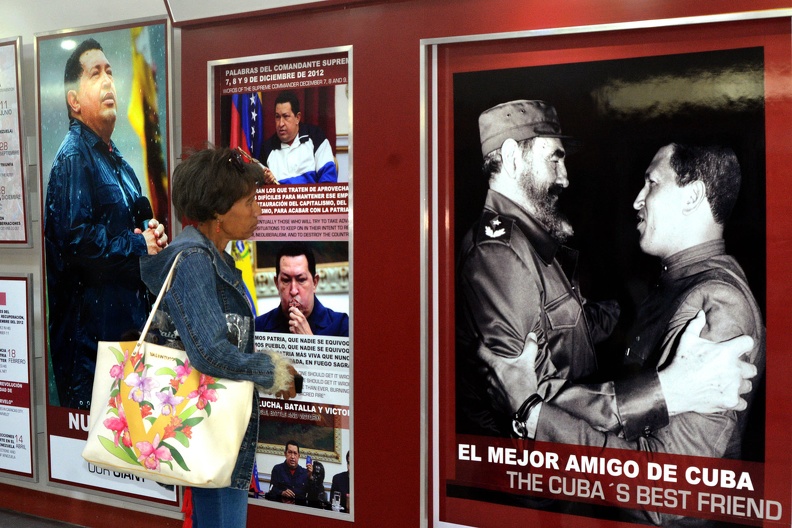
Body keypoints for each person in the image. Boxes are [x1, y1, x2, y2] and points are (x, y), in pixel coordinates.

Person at [456, 100, 756, 442]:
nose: (565, 178)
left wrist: (621, 314)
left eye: (652, 183)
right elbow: (523, 400)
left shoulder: (530, 246)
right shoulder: (499, 251)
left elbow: (563, 330)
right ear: (512, 157)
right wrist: (665, 392)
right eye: (554, 159)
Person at [523, 143, 765, 525]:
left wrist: (539, 418)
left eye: (651, 183)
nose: (637, 200)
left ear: (692, 196)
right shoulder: (676, 282)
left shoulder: (717, 302)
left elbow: (663, 495)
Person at [139, 146, 297, 528]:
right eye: (249, 201)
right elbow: (209, 351)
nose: (258, 211)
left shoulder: (212, 256)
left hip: (215, 427)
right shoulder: (195, 259)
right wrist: (272, 372)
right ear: (218, 214)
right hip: (208, 430)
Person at [44, 38, 167, 409]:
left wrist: (152, 233)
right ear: (74, 101)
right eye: (95, 74)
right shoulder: (73, 159)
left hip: (126, 343)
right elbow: (77, 242)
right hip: (90, 359)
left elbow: (135, 226)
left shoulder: (119, 163)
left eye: (110, 72)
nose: (108, 80)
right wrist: (138, 245)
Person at [255, 242, 349, 336]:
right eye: (286, 280)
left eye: (301, 280)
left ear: (315, 282)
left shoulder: (341, 325)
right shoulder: (258, 327)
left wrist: (309, 341)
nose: (293, 291)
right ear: (277, 284)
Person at [261, 91, 338, 184]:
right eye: (277, 117)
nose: (280, 124)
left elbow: (328, 180)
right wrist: (267, 182)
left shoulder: (316, 137)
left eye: (286, 116)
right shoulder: (267, 148)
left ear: (297, 117)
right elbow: (259, 188)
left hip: (311, 193)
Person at [265, 440, 311, 504]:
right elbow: (271, 491)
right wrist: (282, 493)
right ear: (285, 454)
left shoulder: (305, 473)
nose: (292, 457)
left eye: (295, 453)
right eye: (290, 452)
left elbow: (311, 495)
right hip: (281, 506)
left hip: (298, 508)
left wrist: (311, 477)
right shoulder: (277, 469)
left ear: (298, 456)